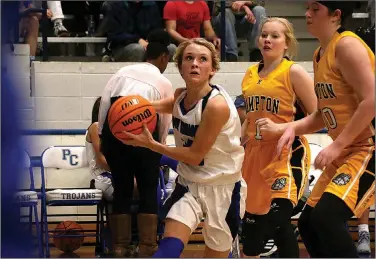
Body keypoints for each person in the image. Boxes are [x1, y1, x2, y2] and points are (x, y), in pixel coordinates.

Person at [121, 38, 246, 258]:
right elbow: (171, 104)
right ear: (180, 67)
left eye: (202, 59)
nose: (195, 63)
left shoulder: (216, 105)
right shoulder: (181, 95)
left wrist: (152, 145)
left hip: (223, 186)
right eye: (189, 58)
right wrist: (136, 108)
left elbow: (196, 156)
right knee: (168, 248)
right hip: (189, 183)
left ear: (213, 70)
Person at [277, 1, 375, 257]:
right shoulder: (321, 53)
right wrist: (290, 128)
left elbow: (372, 99)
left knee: (326, 219)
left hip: (368, 148)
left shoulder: (347, 45)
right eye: (307, 8)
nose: (307, 14)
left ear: (336, 15)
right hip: (347, 151)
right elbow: (323, 114)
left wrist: (338, 145)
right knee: (308, 223)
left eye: (315, 9)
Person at [239, 17, 317, 258]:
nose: (267, 40)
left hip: (286, 151)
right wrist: (241, 137)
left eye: (275, 36)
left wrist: (281, 129)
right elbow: (250, 117)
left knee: (277, 218)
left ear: (287, 43)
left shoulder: (293, 71)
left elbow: (319, 116)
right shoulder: (250, 73)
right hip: (253, 155)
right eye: (264, 35)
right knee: (251, 235)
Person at [98, 29, 173, 258]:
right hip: (145, 130)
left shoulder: (122, 71)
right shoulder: (163, 80)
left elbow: (104, 105)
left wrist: (103, 136)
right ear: (163, 58)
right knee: (148, 188)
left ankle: (120, 247)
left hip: (116, 128)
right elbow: (164, 121)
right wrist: (157, 145)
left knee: (122, 188)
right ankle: (147, 248)